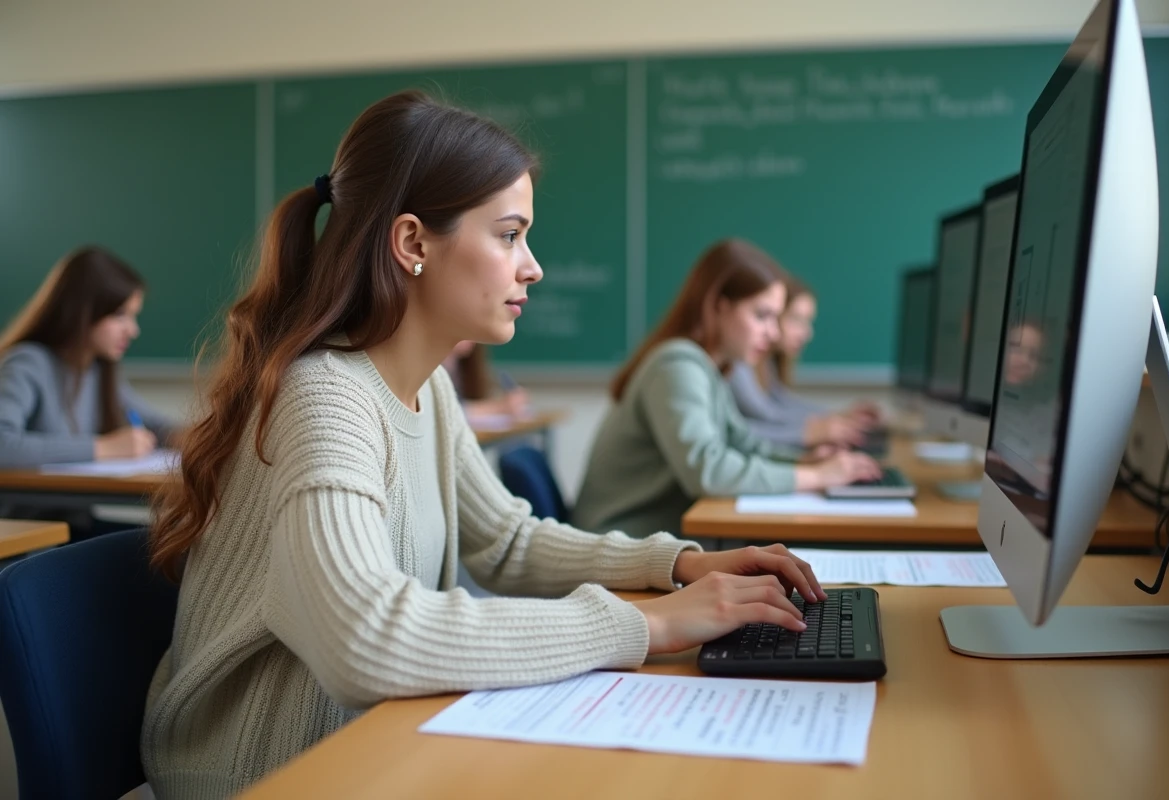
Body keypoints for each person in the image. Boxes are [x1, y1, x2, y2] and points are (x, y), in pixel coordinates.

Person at [142, 90, 827, 799]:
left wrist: (677, 564)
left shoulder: (427, 390)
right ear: (412, 244)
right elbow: (365, 641)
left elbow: (506, 544)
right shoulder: (324, 398)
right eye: (508, 235)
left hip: (375, 743)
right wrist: (645, 623)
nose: (531, 266)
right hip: (266, 774)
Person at [572, 239, 881, 539]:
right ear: (720, 306)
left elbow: (744, 443)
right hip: (616, 544)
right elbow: (709, 471)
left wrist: (804, 462)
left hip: (652, 541)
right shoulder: (678, 365)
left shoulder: (709, 368)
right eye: (762, 316)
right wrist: (816, 478)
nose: (773, 334)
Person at [0, 246, 175, 469]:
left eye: (134, 316)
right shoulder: (28, 363)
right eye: (120, 315)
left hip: (74, 504)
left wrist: (199, 437)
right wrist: (103, 448)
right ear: (82, 311)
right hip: (25, 504)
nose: (132, 330)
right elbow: (3, 445)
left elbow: (155, 426)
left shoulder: (98, 369)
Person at [727, 273, 881, 448]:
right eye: (797, 320)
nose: (807, 334)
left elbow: (780, 401)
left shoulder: (764, 362)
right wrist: (815, 430)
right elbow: (766, 414)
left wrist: (835, 417)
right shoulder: (738, 359)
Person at [442, 339, 529, 420]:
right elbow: (445, 413)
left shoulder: (465, 367)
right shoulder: (433, 369)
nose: (473, 335)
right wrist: (499, 407)